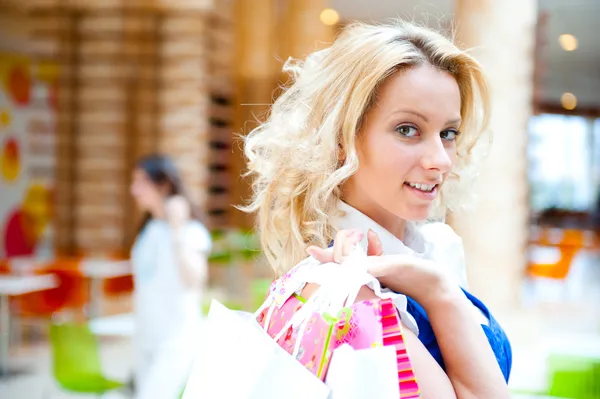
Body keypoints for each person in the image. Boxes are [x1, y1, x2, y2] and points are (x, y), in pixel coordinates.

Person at [242, 20, 511, 398]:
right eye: (408, 129)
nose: (440, 160)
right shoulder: (343, 290)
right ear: (340, 138)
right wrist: (439, 293)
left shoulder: (434, 248)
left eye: (448, 133)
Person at [129, 154, 211, 399]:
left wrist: (178, 231)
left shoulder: (191, 232)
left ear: (163, 185)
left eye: (142, 182)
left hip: (176, 340)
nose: (134, 190)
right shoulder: (147, 230)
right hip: (145, 336)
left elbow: (195, 279)